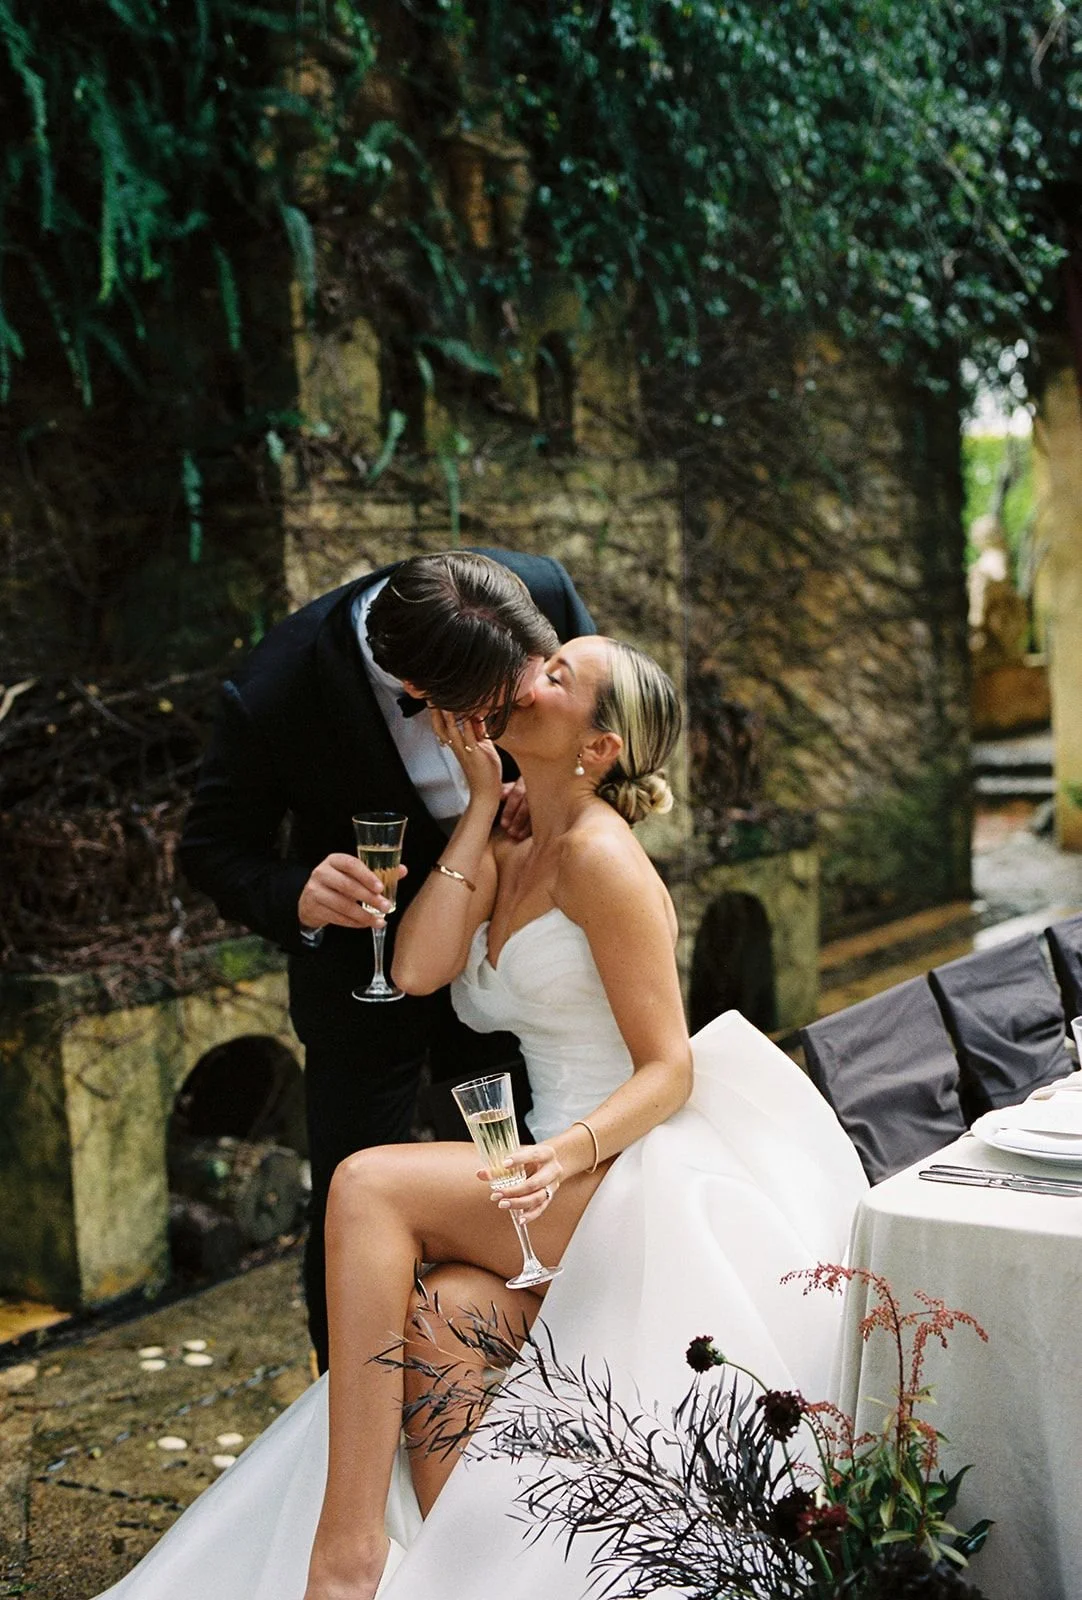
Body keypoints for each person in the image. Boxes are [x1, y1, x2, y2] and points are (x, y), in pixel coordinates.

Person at [100, 633, 867, 1600]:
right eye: (543, 660)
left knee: (367, 1184)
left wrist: (565, 1151)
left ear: (597, 748)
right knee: (445, 1318)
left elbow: (669, 1067)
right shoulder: (516, 839)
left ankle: (346, 1559)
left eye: (558, 678)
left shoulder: (601, 857)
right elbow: (416, 969)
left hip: (618, 1162)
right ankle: (471, 1575)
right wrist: (472, 816)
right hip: (550, 1170)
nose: (528, 678)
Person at [179, 548, 594, 1369]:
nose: (507, 723)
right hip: (361, 986)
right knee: (353, 1212)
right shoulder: (274, 691)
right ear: (418, 694)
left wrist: (552, 786)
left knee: (525, 1195)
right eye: (490, 712)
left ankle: (533, 1395)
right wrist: (296, 890)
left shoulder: (535, 588)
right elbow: (212, 850)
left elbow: (597, 732)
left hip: (515, 964)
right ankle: (352, 1413)